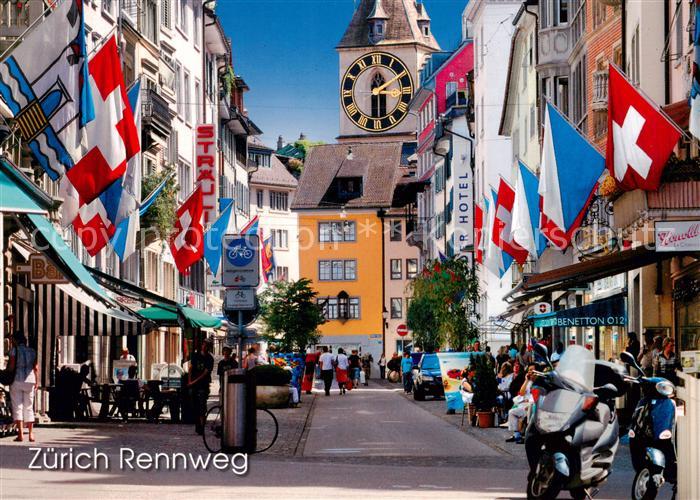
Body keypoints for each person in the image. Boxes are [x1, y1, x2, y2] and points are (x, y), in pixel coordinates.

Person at [8, 331, 38, 442]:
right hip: (30, 380)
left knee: (18, 406)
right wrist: (37, 381)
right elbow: (36, 368)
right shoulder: (32, 351)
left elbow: (11, 367)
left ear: (15, 340)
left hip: (17, 380)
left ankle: (20, 434)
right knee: (29, 407)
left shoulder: (13, 351)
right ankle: (31, 434)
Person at [188, 339, 214, 435]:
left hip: (203, 384)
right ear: (202, 345)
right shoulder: (196, 356)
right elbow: (191, 368)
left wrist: (193, 381)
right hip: (194, 385)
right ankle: (198, 425)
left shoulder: (210, 358)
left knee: (202, 406)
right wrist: (189, 381)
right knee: (195, 406)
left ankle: (202, 427)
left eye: (207, 345)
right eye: (204, 344)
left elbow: (205, 373)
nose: (205, 347)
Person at [506, 364, 536, 444]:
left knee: (530, 407)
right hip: (524, 405)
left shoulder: (539, 382)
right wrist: (526, 380)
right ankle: (517, 435)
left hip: (534, 406)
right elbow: (522, 393)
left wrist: (530, 402)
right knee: (512, 412)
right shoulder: (528, 382)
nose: (530, 372)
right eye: (529, 370)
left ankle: (529, 436)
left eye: (532, 370)